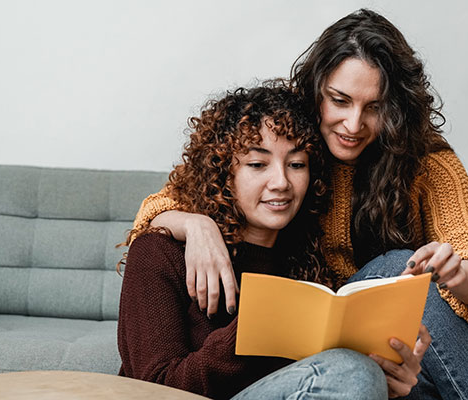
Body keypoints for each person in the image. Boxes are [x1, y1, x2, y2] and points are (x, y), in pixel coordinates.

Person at [127, 9, 468, 400]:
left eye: (374, 107)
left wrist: (455, 273)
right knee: (357, 361)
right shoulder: (290, 130)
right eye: (340, 100)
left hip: (357, 331)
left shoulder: (425, 163)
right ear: (317, 91)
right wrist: (194, 225)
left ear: (396, 108)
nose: (353, 124)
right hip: (319, 349)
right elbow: (174, 199)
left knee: (400, 286)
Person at [118, 82, 431, 400]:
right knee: (352, 370)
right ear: (224, 173)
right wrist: (259, 328)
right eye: (257, 164)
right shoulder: (160, 251)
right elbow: (152, 387)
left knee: (400, 384)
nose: (281, 182)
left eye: (296, 165)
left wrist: (389, 382)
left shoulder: (306, 264)